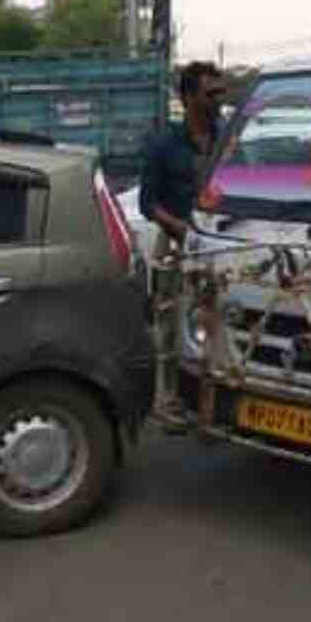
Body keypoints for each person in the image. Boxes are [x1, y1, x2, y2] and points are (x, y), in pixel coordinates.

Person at [140, 61, 225, 428]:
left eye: (220, 92)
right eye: (211, 93)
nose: (219, 99)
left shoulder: (226, 139)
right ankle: (167, 400)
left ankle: (207, 397)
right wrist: (181, 230)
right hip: (176, 246)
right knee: (170, 328)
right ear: (188, 97)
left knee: (212, 323)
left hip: (218, 248)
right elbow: (147, 203)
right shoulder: (164, 145)